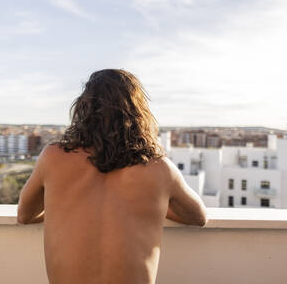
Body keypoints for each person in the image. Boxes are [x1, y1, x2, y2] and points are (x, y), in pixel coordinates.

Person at [17, 69, 208, 284]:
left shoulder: (53, 157)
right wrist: (151, 207)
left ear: (84, 108)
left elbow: (25, 215)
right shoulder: (159, 168)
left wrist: (62, 208)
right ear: (138, 112)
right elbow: (197, 217)